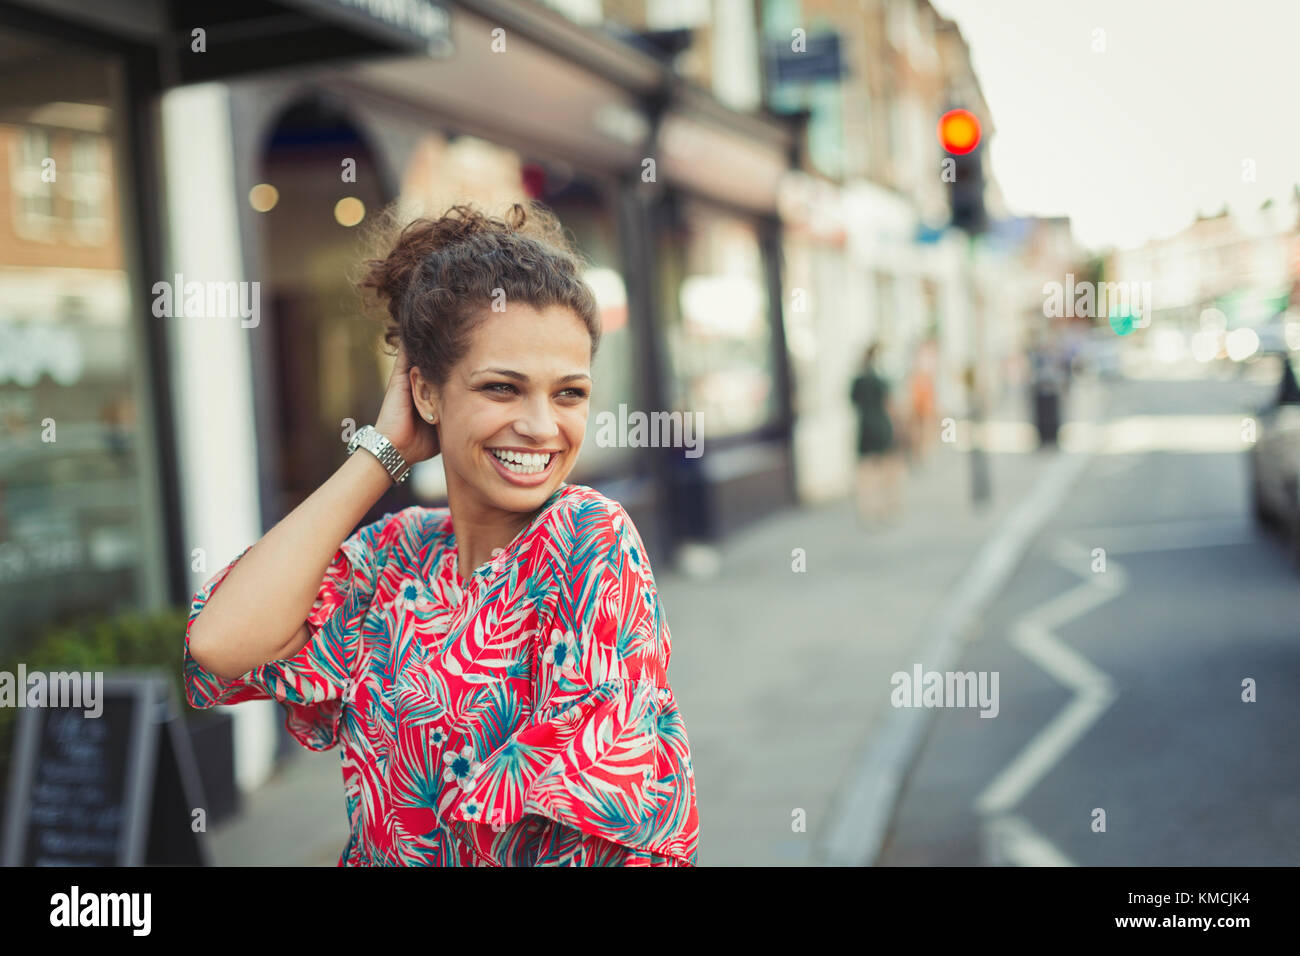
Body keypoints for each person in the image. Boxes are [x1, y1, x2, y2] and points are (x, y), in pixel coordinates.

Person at [184, 201, 699, 866]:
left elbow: (605, 819)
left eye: (569, 393)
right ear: (425, 393)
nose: (543, 426)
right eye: (503, 388)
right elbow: (220, 643)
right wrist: (380, 454)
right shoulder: (394, 557)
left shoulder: (588, 538)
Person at [849, 343, 902, 523]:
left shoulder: (858, 381)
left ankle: (867, 507)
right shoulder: (880, 380)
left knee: (866, 471)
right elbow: (890, 405)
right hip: (881, 426)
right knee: (886, 469)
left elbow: (853, 403)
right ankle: (885, 505)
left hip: (865, 428)